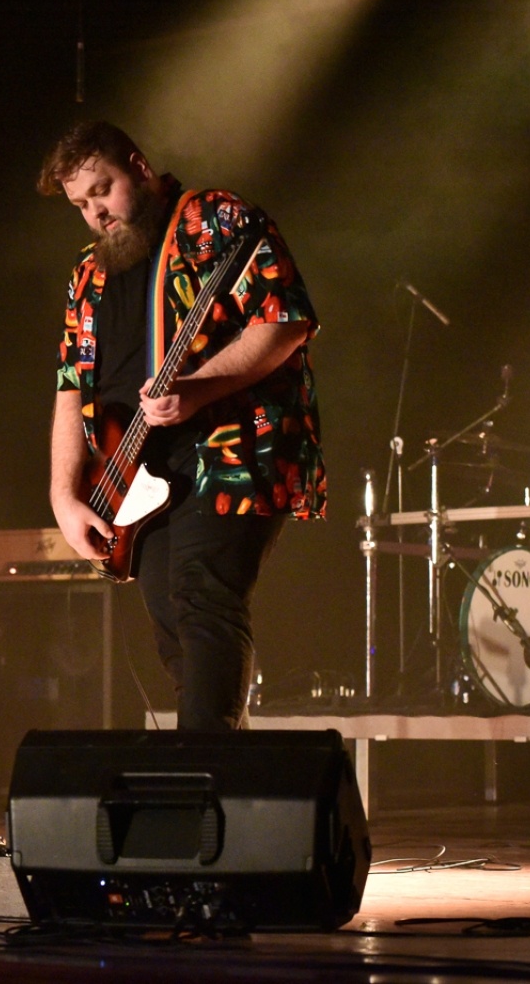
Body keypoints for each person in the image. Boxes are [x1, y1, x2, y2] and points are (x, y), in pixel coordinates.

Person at [41, 121, 325, 732]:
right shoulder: (87, 275)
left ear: (139, 167)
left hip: (230, 451)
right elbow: (71, 384)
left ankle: (201, 776)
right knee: (174, 627)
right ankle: (227, 780)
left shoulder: (215, 220)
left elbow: (284, 319)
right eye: (81, 205)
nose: (97, 214)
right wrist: (64, 496)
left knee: (203, 601)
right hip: (133, 474)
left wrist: (198, 389)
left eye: (103, 190)